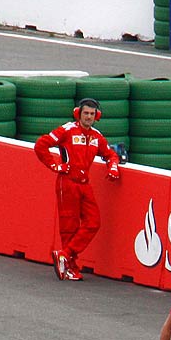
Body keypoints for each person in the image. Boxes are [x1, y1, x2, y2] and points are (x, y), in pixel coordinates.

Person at [33, 98, 120, 282]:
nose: (88, 117)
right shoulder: (67, 130)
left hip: (84, 184)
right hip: (67, 182)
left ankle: (64, 254)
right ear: (78, 114)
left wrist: (113, 166)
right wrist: (55, 166)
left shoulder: (97, 136)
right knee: (69, 227)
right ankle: (70, 265)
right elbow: (41, 145)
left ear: (97, 116)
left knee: (94, 222)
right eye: (85, 113)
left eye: (91, 114)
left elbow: (111, 154)